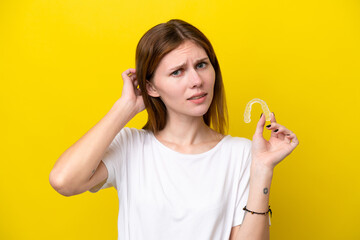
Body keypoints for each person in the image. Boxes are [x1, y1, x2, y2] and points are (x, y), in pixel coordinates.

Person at [49, 19, 299, 240]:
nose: (196, 81)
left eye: (202, 65)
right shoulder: (130, 146)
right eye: (177, 71)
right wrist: (125, 107)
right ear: (151, 88)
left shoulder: (241, 153)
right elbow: (64, 181)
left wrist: (263, 170)